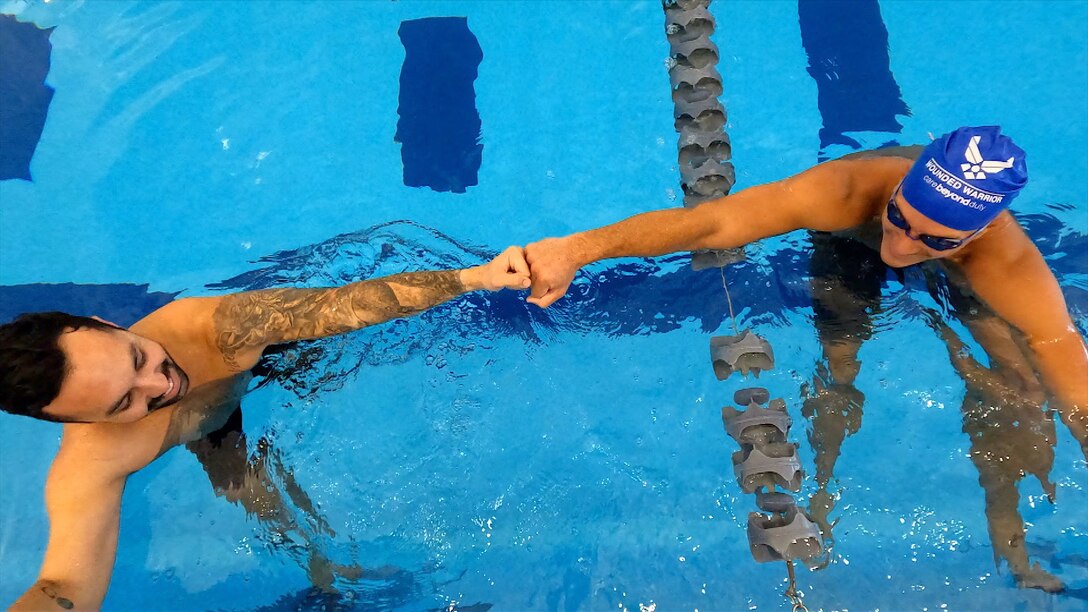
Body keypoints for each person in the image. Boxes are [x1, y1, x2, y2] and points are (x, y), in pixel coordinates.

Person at [0, 247, 531, 610]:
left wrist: (476, 278)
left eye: (139, 358)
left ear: (111, 326)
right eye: (124, 403)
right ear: (78, 423)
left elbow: (346, 306)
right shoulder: (92, 465)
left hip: (264, 362)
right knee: (264, 506)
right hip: (213, 429)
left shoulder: (215, 328)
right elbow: (66, 586)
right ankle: (335, 580)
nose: (159, 387)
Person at [524, 126, 1087, 459]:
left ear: (980, 232)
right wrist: (577, 249)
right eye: (900, 216)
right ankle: (835, 397)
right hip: (846, 240)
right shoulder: (847, 193)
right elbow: (713, 225)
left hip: (968, 270)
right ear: (896, 187)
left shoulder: (1005, 262)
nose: (904, 243)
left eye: (932, 237)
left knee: (1022, 385)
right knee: (842, 344)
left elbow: (1063, 353)